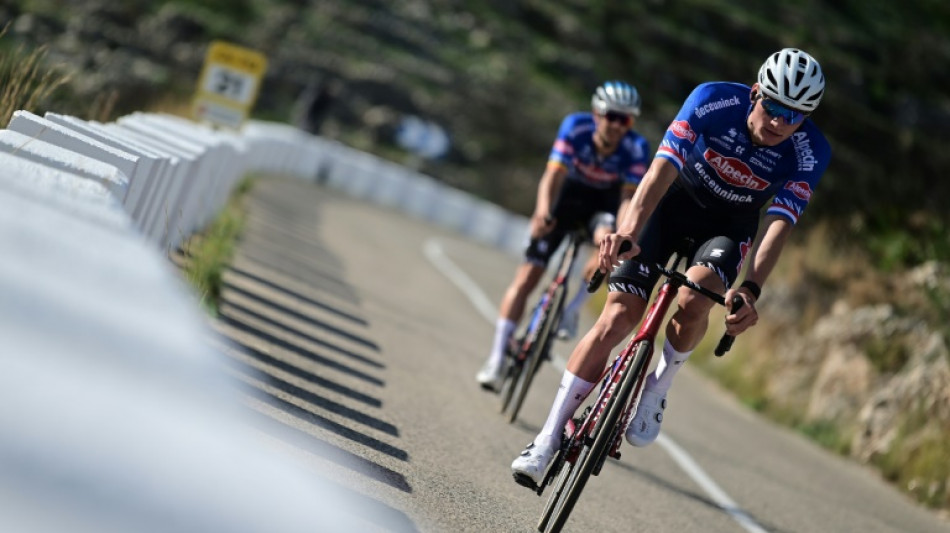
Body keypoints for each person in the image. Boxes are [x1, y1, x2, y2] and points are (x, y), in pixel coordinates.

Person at [511, 48, 832, 486]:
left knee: (695, 296)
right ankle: (546, 440)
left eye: (794, 116)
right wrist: (626, 231)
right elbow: (658, 174)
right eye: (774, 107)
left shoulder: (811, 150)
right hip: (671, 205)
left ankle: (658, 388)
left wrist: (751, 288)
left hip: (728, 226)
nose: (779, 123)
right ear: (756, 93)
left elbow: (779, 225)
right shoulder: (712, 100)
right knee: (616, 317)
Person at [475, 81, 652, 391]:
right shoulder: (575, 127)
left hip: (604, 207)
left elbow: (627, 198)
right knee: (528, 276)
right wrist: (541, 212)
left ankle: (570, 312)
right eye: (611, 116)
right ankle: (496, 359)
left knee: (605, 248)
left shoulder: (636, 147)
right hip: (567, 199)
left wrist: (620, 234)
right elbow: (553, 175)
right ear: (596, 114)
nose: (616, 125)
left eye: (624, 120)